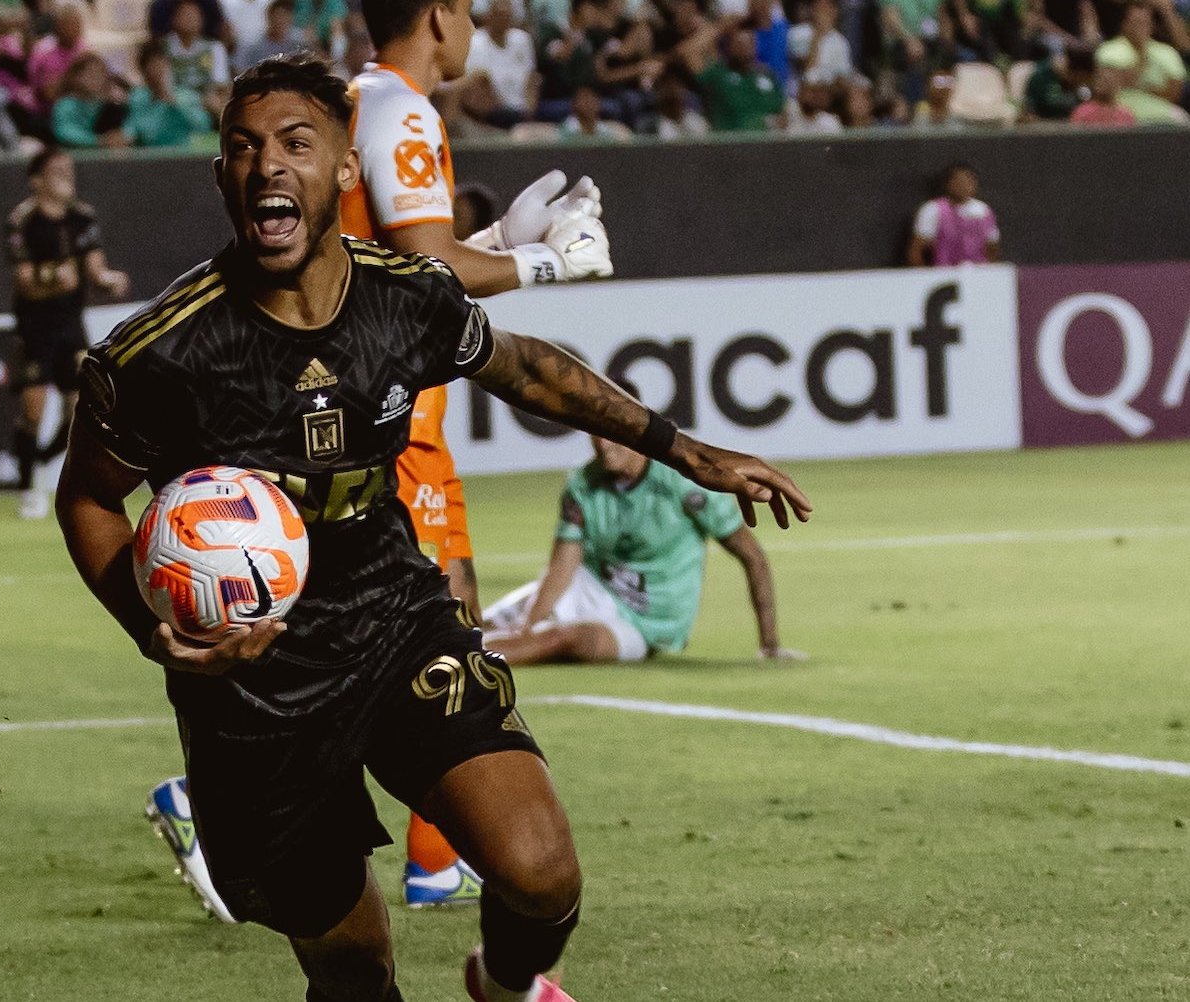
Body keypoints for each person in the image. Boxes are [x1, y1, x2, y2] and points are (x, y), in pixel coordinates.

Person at [58, 56, 809, 1002]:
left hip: (391, 616)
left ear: (343, 171)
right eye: (242, 149)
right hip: (254, 683)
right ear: (221, 178)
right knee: (355, 966)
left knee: (541, 875)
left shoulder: (404, 296)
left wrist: (682, 449)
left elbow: (528, 368)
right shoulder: (159, 353)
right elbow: (87, 499)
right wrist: (153, 628)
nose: (266, 167)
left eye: (296, 143)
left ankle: (500, 983)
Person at [149, 0, 617, 915]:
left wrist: (501, 243)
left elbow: (390, 267)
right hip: (384, 418)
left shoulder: (360, 101)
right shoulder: (399, 108)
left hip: (362, 400)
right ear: (441, 13)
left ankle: (425, 853)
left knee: (422, 625)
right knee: (433, 623)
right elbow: (428, 269)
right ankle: (361, 841)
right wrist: (549, 263)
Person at [484, 437, 804, 666]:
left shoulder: (684, 483)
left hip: (645, 623)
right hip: (590, 585)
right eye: (593, 432)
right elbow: (563, 564)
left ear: (633, 430)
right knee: (477, 624)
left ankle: (459, 669)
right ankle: (453, 657)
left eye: (611, 433)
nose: (602, 444)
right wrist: (527, 622)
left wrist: (770, 644)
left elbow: (752, 556)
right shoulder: (582, 482)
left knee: (562, 639)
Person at [5, 149, 129, 519]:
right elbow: (23, 279)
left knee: (79, 410)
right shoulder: (22, 221)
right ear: (37, 179)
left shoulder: (82, 217)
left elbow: (94, 266)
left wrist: (108, 280)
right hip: (34, 326)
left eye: (68, 170)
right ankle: (28, 487)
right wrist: (52, 277)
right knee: (33, 408)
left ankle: (42, 462)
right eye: (57, 171)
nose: (66, 177)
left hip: (70, 326)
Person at [1094, 0, 1189, 124]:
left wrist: (1141, 88)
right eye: (1135, 23)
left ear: (1152, 26)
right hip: (1119, 106)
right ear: (1124, 24)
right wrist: (1140, 54)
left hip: (1158, 106)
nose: (1139, 27)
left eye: (1144, 23)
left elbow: (1174, 92)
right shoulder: (1109, 50)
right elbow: (1110, 87)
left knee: (1181, 119)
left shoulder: (1167, 52)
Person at [907, 161, 1000, 266]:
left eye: (969, 180)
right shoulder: (933, 209)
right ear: (948, 184)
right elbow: (916, 250)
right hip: (944, 274)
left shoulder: (984, 210)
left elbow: (992, 247)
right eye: (959, 181)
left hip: (978, 274)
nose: (965, 185)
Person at [237, 0, 313, 72]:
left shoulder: (299, 43)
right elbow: (240, 69)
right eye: (278, 17)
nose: (281, 21)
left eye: (285, 17)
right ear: (269, 17)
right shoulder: (253, 45)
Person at [1071, 63, 1139, 125]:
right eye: (1102, 80)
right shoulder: (1083, 112)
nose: (1105, 85)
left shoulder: (1125, 114)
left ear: (1118, 85)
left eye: (1109, 81)